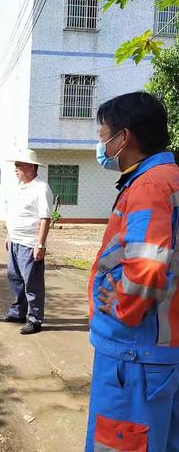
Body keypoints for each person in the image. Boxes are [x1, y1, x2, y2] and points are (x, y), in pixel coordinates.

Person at [86, 92, 179, 451]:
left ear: (123, 138)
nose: (100, 141)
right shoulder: (169, 178)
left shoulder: (149, 185)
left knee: (123, 443)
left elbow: (147, 261)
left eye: (102, 132)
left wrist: (123, 305)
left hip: (134, 350)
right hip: (162, 344)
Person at [0, 149, 53, 335]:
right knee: (15, 279)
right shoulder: (19, 187)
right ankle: (17, 312)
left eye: (18, 165)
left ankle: (35, 319)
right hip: (15, 241)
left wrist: (40, 244)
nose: (15, 169)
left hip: (30, 243)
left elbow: (45, 218)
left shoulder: (41, 188)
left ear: (30, 166)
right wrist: (9, 235)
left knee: (32, 283)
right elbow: (15, 215)